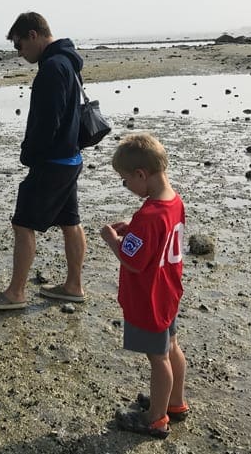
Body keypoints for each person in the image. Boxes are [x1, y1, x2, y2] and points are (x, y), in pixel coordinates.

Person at [0, 12, 86, 310]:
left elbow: (46, 123)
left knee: (22, 223)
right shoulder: (68, 61)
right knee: (70, 221)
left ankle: (15, 293)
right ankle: (73, 285)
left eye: (19, 45)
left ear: (33, 35)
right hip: (70, 158)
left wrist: (29, 153)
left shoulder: (52, 68)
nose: (19, 52)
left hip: (52, 161)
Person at [100, 133, 189, 439]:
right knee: (172, 346)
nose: (126, 187)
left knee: (158, 357)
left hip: (150, 297)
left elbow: (133, 260)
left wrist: (113, 239)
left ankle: (156, 418)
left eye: (125, 181)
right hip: (169, 292)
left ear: (141, 174)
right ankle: (175, 402)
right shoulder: (173, 201)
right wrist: (132, 228)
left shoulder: (149, 215)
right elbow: (156, 241)